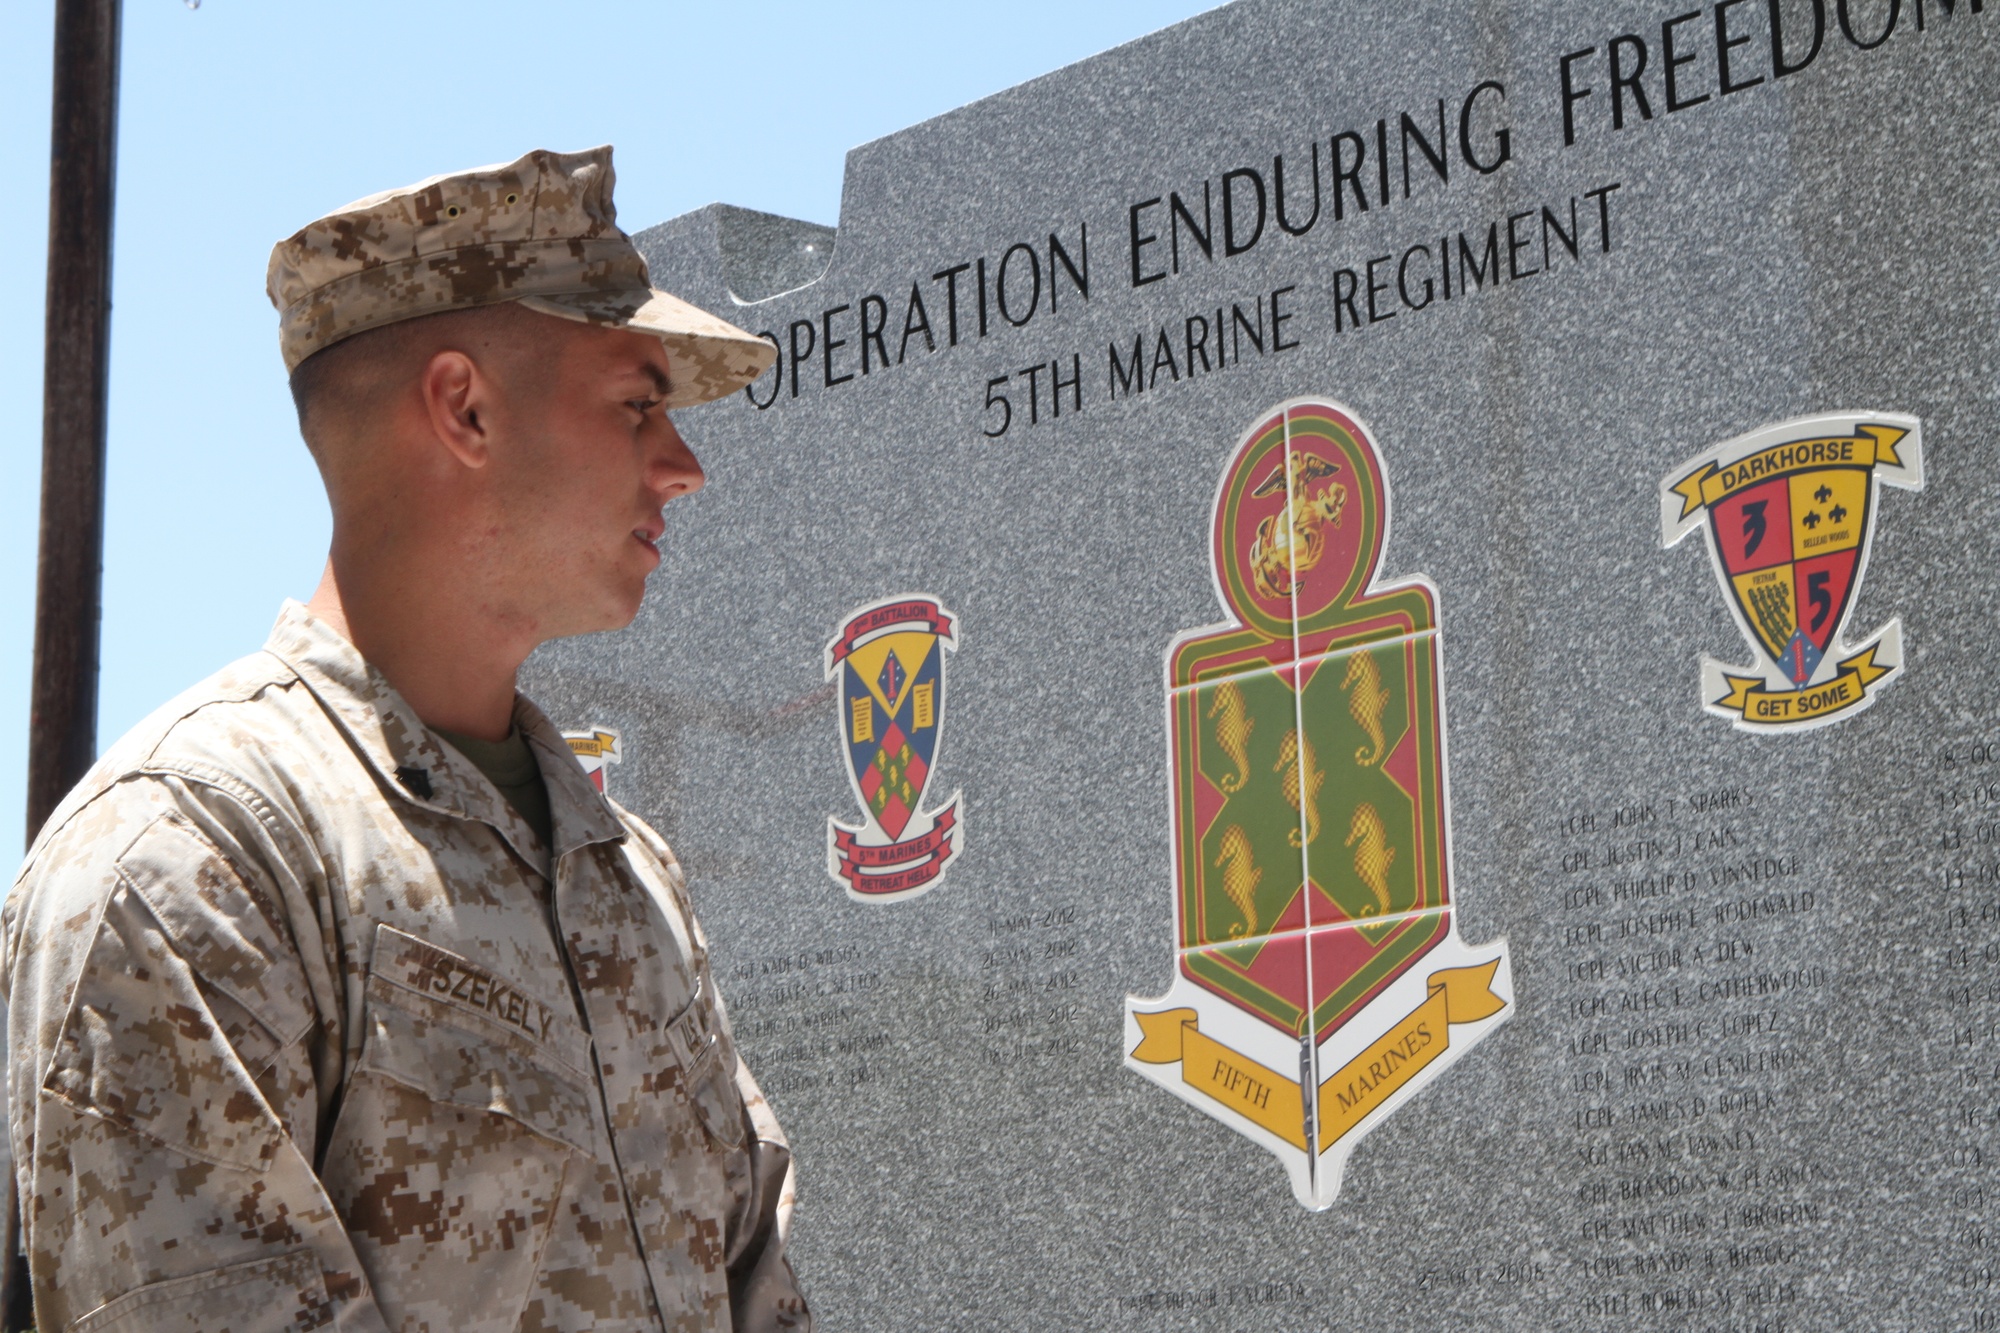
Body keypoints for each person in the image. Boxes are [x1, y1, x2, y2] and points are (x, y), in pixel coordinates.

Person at [3, 146, 809, 1332]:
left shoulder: (627, 876)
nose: (681, 468)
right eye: (638, 404)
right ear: (464, 408)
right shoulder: (187, 860)